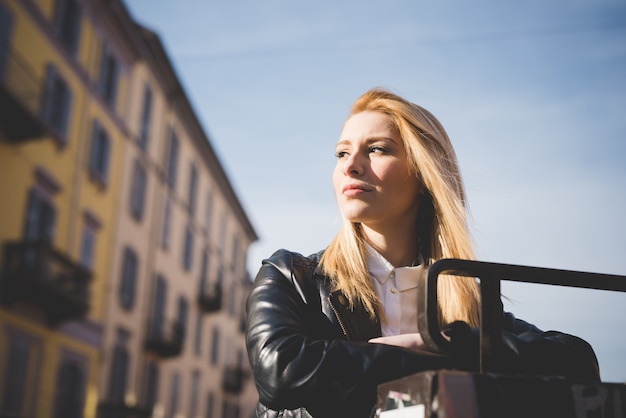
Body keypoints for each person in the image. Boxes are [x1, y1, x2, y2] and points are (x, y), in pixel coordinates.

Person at [245, 88, 600, 418]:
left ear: (422, 172)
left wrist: (453, 346)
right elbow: (279, 371)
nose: (350, 165)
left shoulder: (462, 298)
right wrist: (422, 354)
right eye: (342, 152)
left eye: (377, 149)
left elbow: (576, 361)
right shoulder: (291, 275)